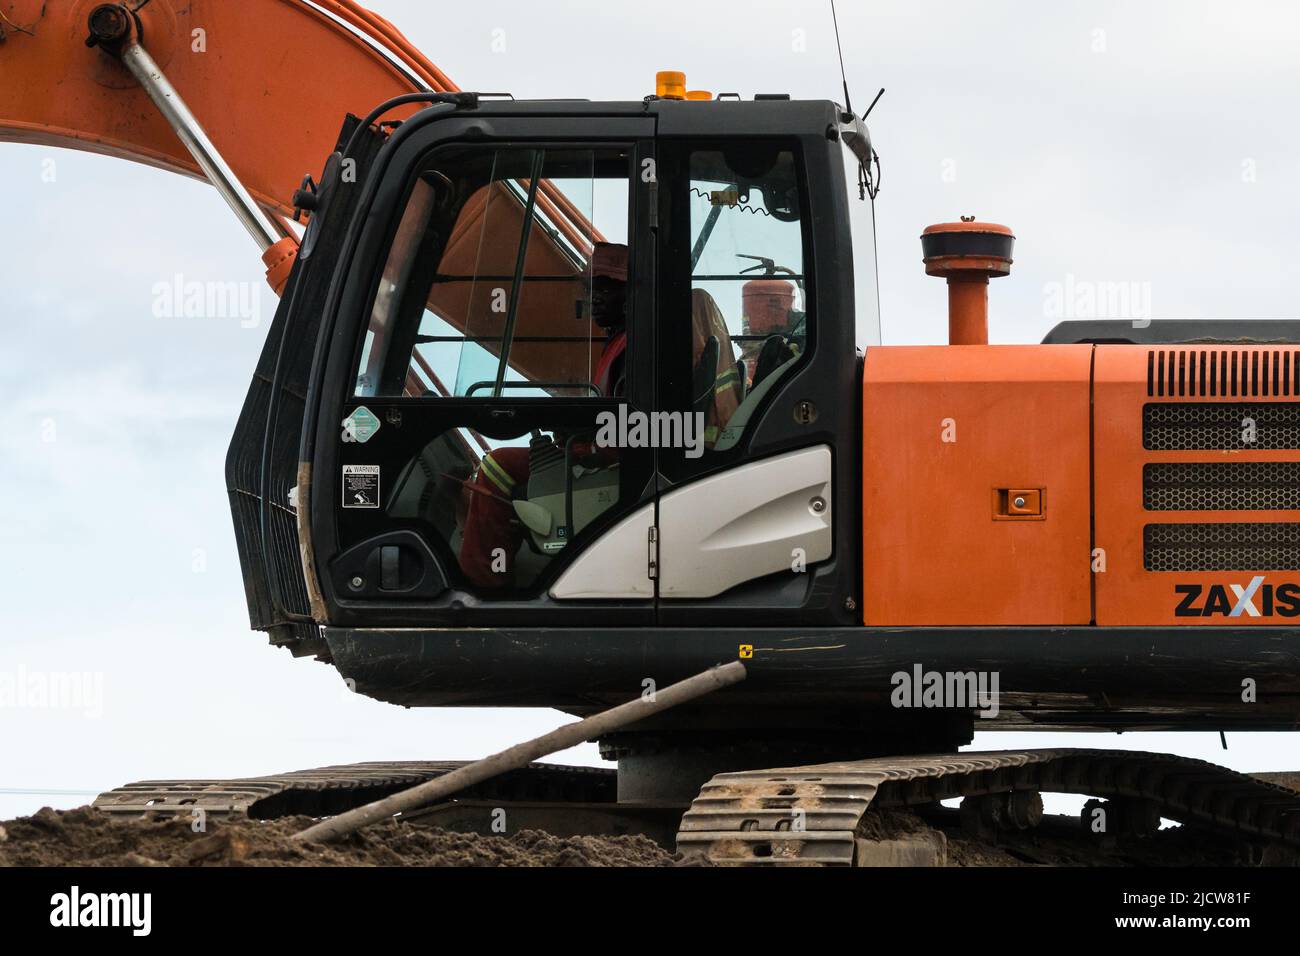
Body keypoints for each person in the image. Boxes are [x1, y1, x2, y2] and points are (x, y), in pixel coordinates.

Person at [457, 242, 628, 588]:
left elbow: (626, 426)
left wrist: (579, 437)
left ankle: (483, 585)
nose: (595, 296)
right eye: (591, 287)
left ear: (632, 291)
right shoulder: (621, 342)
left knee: (496, 466)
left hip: (611, 461)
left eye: (607, 287)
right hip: (606, 450)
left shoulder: (631, 348)